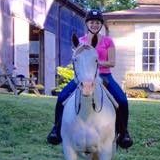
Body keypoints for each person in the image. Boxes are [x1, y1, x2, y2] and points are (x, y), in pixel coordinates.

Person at [47, 9, 133, 149]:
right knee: (62, 97)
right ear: (87, 23)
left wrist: (95, 62)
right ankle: (56, 130)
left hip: (104, 75)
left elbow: (112, 62)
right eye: (92, 22)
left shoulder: (108, 41)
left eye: (97, 22)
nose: (94, 25)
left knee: (122, 100)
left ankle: (124, 133)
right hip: (84, 76)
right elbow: (77, 59)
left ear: (101, 25)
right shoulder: (80, 41)